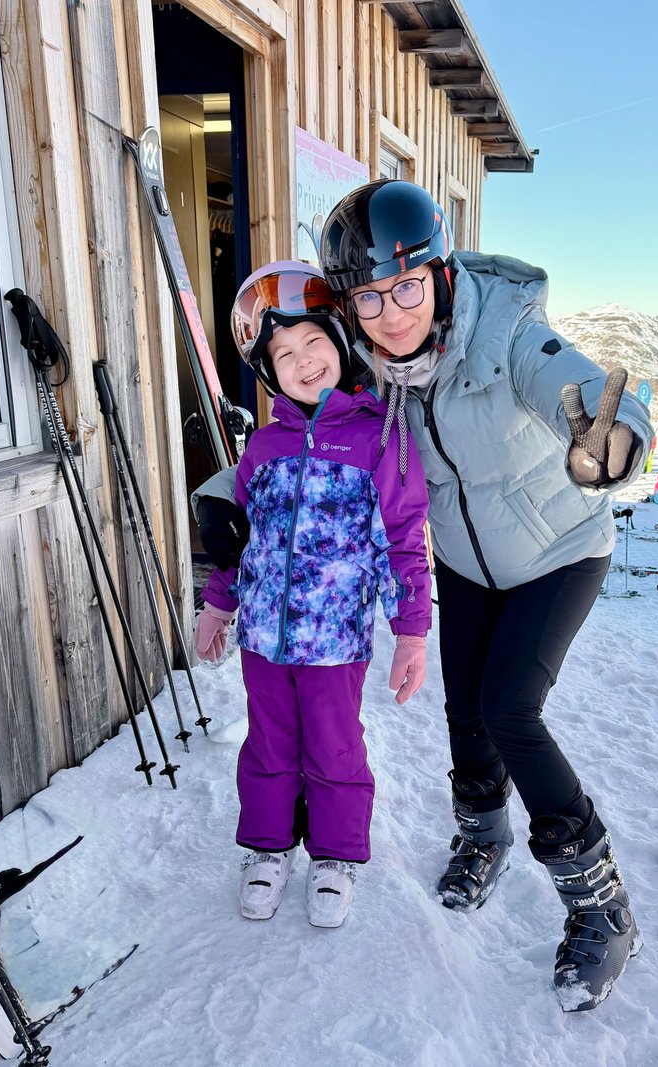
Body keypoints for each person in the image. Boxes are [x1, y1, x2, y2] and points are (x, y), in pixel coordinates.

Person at [318, 179, 653, 1011]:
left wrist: (611, 441)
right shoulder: (378, 368)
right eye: (369, 297)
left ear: (439, 272)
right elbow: (315, 433)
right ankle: (482, 836)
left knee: (509, 709)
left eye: (406, 286)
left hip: (559, 551)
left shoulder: (506, 330)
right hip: (468, 561)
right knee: (464, 707)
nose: (391, 313)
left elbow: (578, 388)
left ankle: (601, 905)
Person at [192, 261, 432, 929]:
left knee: (334, 748)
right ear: (269, 372)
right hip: (262, 639)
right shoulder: (263, 447)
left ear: (341, 341)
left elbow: (403, 540)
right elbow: (239, 538)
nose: (303, 361)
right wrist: (217, 604)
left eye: (313, 341)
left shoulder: (378, 436)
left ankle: (334, 856)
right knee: (268, 746)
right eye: (284, 353)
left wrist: (411, 631)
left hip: (335, 643)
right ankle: (268, 849)